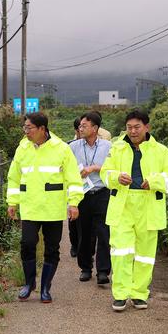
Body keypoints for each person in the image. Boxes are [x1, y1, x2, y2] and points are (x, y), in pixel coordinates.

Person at [100, 109, 168, 311]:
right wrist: (117, 177)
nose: (133, 131)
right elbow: (105, 173)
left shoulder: (161, 151)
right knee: (120, 252)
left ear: (147, 127)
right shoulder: (116, 148)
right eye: (129, 127)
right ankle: (120, 294)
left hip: (148, 206)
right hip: (123, 206)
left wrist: (153, 182)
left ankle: (139, 294)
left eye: (137, 127)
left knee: (145, 254)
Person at [7, 112, 84, 303]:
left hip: (52, 208)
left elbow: (73, 178)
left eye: (29, 128)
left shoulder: (61, 149)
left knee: (52, 248)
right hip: (30, 206)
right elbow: (14, 177)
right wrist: (12, 202)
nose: (26, 132)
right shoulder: (23, 147)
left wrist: (73, 202)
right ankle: (29, 283)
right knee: (27, 244)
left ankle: (45, 288)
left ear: (42, 129)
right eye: (24, 128)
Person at [70, 111, 112, 285]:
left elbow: (114, 167)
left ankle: (103, 271)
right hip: (83, 194)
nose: (80, 128)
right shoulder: (73, 147)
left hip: (102, 193)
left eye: (84, 126)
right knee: (84, 233)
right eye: (80, 126)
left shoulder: (108, 146)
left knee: (104, 233)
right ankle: (85, 268)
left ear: (95, 128)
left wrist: (95, 167)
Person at [67, 117, 82, 258]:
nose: (82, 130)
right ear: (76, 130)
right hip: (73, 187)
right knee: (73, 220)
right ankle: (74, 244)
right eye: (80, 128)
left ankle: (84, 248)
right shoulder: (69, 146)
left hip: (91, 188)